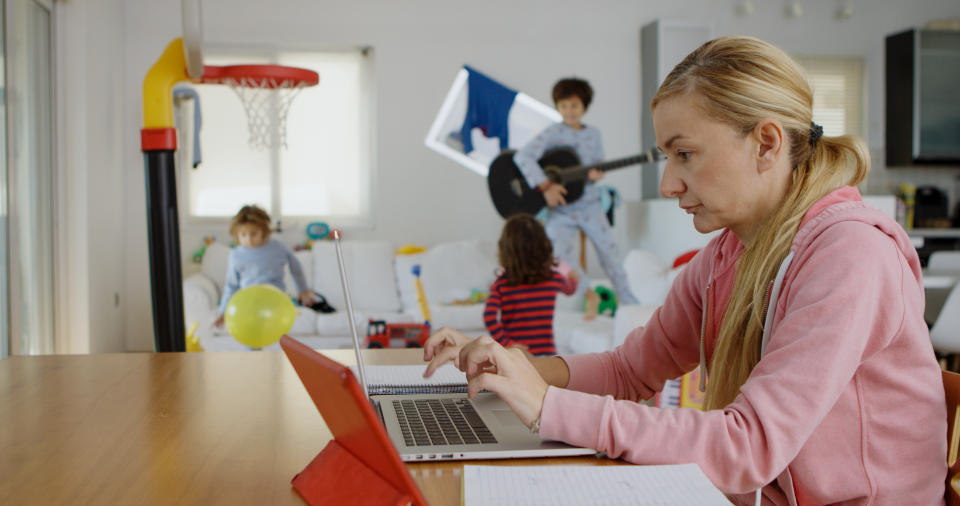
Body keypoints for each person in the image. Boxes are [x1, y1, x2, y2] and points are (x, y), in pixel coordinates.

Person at [424, 36, 946, 504]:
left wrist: (549, 408)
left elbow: (747, 447)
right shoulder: (727, 253)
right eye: (666, 157)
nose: (668, 183)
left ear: (766, 144)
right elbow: (629, 372)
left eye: (686, 154)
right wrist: (518, 369)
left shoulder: (850, 255)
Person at [513, 77, 638, 306]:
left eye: (574, 105)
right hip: (560, 209)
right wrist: (546, 186)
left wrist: (595, 175)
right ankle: (586, 294)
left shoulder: (594, 134)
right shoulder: (552, 133)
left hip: (589, 204)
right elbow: (522, 157)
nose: (569, 111)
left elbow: (598, 165)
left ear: (584, 106)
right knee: (557, 253)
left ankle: (630, 302)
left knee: (610, 253)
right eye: (563, 106)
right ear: (557, 107)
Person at [484, 214, 579, 356]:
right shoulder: (554, 279)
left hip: (515, 356)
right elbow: (571, 289)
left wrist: (508, 344)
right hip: (547, 356)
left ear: (505, 250)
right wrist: (574, 276)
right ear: (544, 246)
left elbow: (489, 317)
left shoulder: (502, 284)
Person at [214, 205, 314, 327]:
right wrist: (223, 312)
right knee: (251, 337)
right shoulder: (235, 255)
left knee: (277, 336)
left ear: (263, 231)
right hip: (248, 304)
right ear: (237, 234)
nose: (248, 239)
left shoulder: (278, 248)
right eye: (243, 235)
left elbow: (296, 268)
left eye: (253, 234)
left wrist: (302, 290)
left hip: (275, 302)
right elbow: (232, 285)